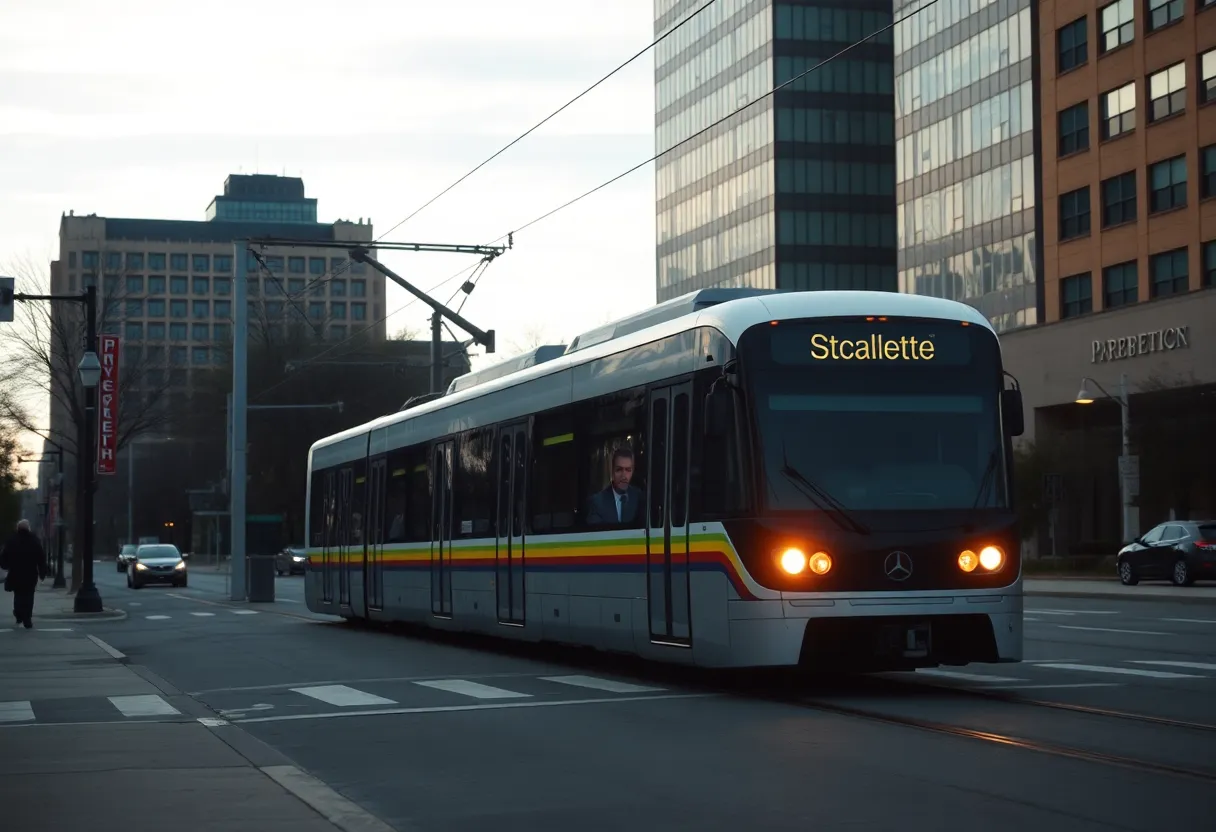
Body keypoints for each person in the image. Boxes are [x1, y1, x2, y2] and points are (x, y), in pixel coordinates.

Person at [1, 519, 47, 629]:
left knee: (18, 595)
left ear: (18, 528)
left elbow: (4, 556)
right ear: (28, 528)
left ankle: (18, 614)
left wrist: (5, 565)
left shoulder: (12, 540)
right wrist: (42, 572)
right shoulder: (34, 540)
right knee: (29, 596)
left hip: (15, 573)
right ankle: (27, 618)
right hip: (30, 573)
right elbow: (41, 558)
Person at [585, 447, 643, 526]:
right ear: (612, 471)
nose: (624, 476)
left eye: (628, 470)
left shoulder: (639, 497)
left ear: (632, 472)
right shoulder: (597, 502)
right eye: (619, 470)